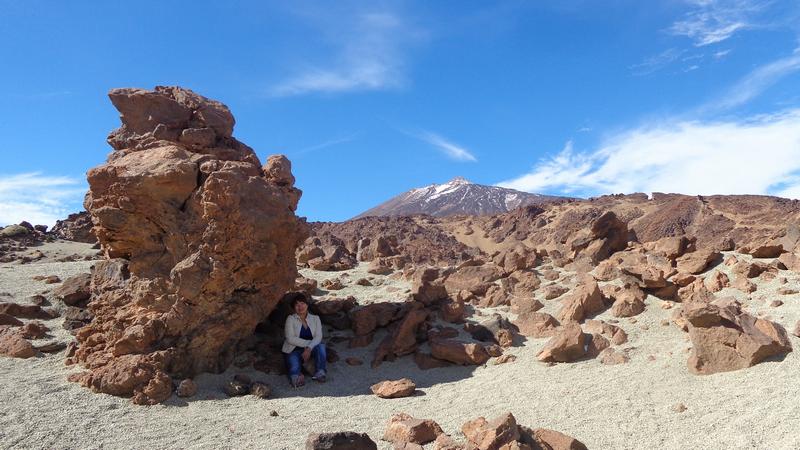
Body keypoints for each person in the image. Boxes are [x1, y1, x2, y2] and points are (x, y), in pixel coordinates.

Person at [282, 294, 327, 387]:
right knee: (294, 366)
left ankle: (320, 372)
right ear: (294, 307)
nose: (300, 307)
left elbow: (318, 336)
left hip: (311, 348)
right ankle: (296, 378)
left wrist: (309, 348)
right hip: (293, 349)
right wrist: (308, 345)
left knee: (321, 346)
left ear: (307, 305)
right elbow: (290, 338)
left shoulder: (315, 318)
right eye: (297, 304)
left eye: (302, 303)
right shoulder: (290, 319)